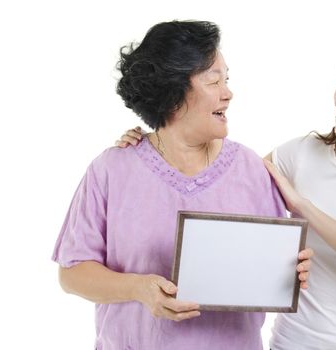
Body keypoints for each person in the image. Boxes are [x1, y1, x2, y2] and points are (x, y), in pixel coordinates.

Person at [119, 37, 336, 349]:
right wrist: (160, 138)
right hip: (295, 340)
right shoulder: (301, 153)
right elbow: (225, 176)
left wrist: (302, 206)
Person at [52, 20, 312, 350]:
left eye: (226, 79)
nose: (228, 92)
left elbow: (273, 272)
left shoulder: (251, 169)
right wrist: (137, 288)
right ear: (174, 91)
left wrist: (291, 271)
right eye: (213, 80)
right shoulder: (112, 169)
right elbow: (72, 274)